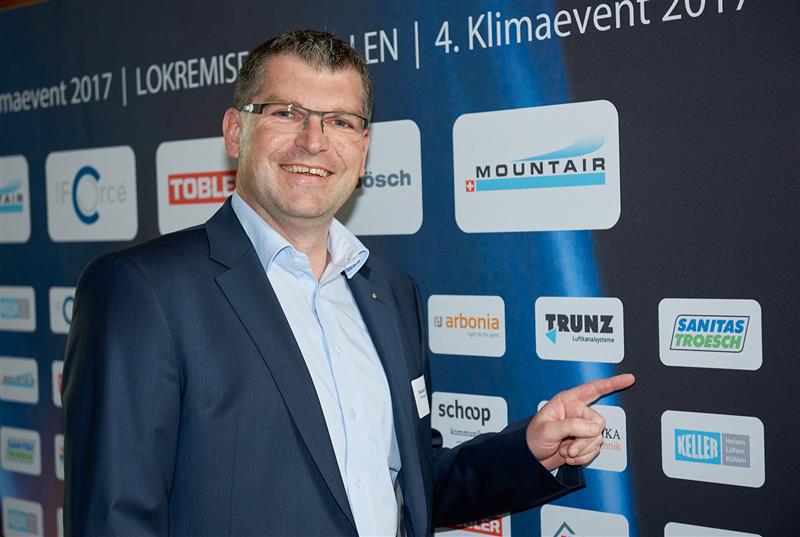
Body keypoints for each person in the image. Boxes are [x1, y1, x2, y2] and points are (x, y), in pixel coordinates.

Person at [62, 29, 635, 537]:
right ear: (236, 132)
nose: (313, 141)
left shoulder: (390, 291)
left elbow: (409, 482)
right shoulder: (142, 291)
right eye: (286, 112)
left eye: (340, 121)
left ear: (362, 151)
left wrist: (529, 450)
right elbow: (113, 518)